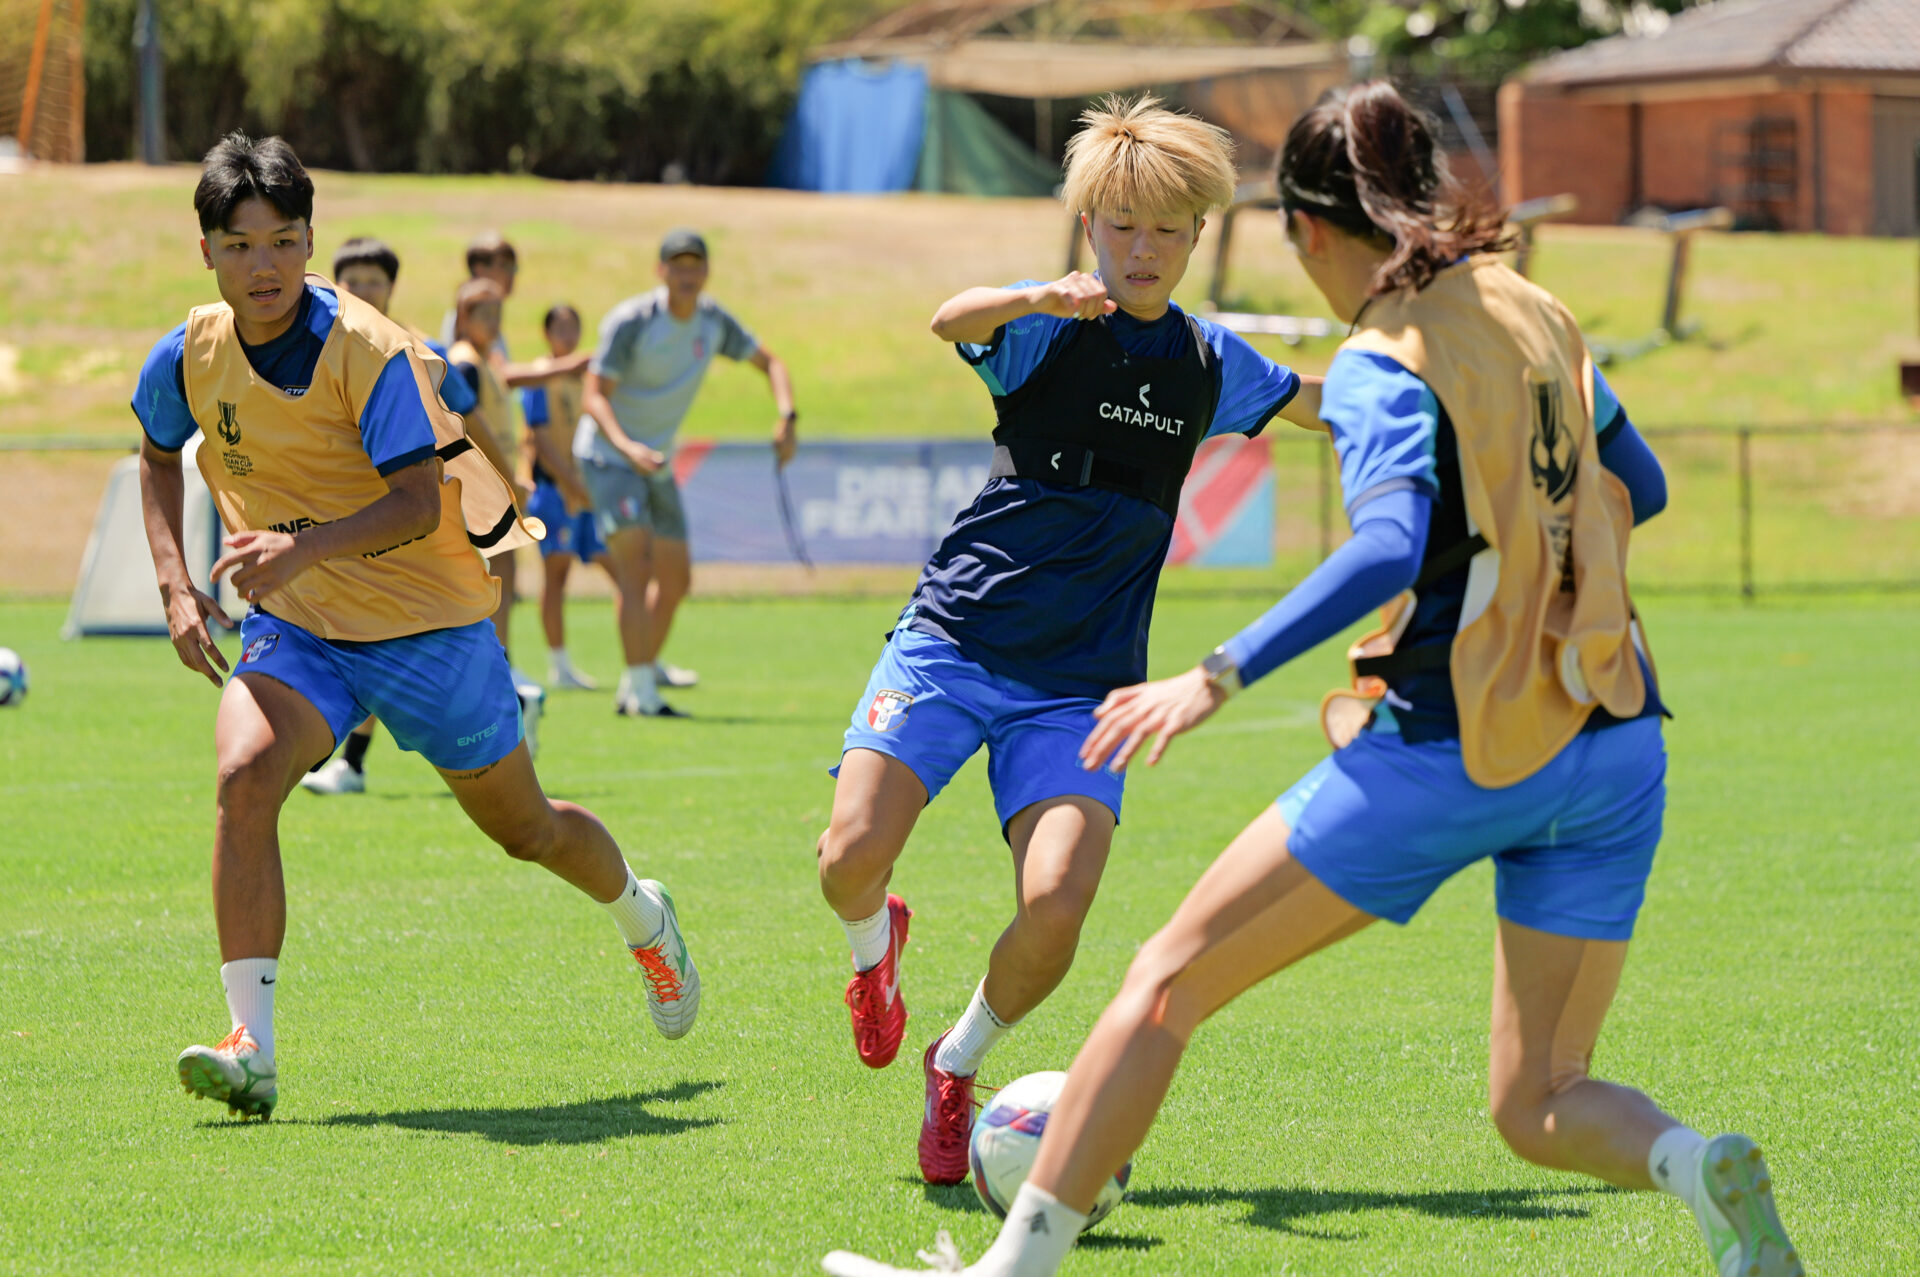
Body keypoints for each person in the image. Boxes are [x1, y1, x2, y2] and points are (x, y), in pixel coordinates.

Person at [821, 83, 1801, 1277]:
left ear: (1300, 228)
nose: (1144, 246)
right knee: (1540, 1094)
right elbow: (1638, 487)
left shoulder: (1378, 357)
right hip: (1615, 733)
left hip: (1453, 735)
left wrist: (1217, 672)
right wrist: (1544, 585)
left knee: (1161, 984)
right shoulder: (1535, 314)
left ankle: (1000, 1235)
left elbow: (1387, 538)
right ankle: (1697, 1165)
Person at [133, 132, 701, 1122]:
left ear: (310, 243)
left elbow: (415, 501)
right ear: (207, 251)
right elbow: (153, 453)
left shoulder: (370, 349)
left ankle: (643, 915)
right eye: (240, 245)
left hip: (427, 627)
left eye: (282, 241)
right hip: (302, 627)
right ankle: (251, 1046)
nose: (263, 266)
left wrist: (298, 547)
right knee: (243, 775)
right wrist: (178, 586)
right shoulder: (190, 353)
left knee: (528, 830)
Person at [814, 96, 1322, 1190]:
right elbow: (949, 319)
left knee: (1055, 909)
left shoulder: (1209, 360)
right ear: (1090, 225)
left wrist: (1442, 392)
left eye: (1167, 230)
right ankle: (874, 950)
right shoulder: (1046, 324)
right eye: (1121, 226)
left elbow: (1320, 406)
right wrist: (1039, 294)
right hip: (954, 639)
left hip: (1082, 687)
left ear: (1198, 235)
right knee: (847, 857)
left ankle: (956, 1064)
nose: (1142, 249)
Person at [577, 228, 797, 717]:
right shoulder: (633, 321)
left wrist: (787, 416)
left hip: (656, 460)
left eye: (695, 265)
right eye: (677, 265)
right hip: (609, 455)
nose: (687, 275)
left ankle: (638, 678)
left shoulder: (712, 321)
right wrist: (628, 447)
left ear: (706, 271)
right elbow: (593, 396)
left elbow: (771, 363)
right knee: (635, 568)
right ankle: (641, 692)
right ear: (661, 271)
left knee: (676, 579)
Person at [301, 236, 482, 796]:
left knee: (384, 636)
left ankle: (349, 760)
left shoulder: (418, 350)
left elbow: (468, 422)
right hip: (338, 520)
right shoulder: (309, 349)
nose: (363, 290)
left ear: (392, 288)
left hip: (409, 519)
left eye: (373, 281)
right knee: (364, 636)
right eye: (352, 280)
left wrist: (497, 486)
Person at [520, 303, 613, 690]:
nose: (568, 336)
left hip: (589, 492)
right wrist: (571, 483)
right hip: (556, 492)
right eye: (560, 329)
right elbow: (539, 439)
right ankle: (559, 665)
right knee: (556, 575)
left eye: (573, 328)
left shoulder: (587, 378)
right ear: (547, 334)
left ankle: (645, 659)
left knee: (621, 567)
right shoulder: (540, 376)